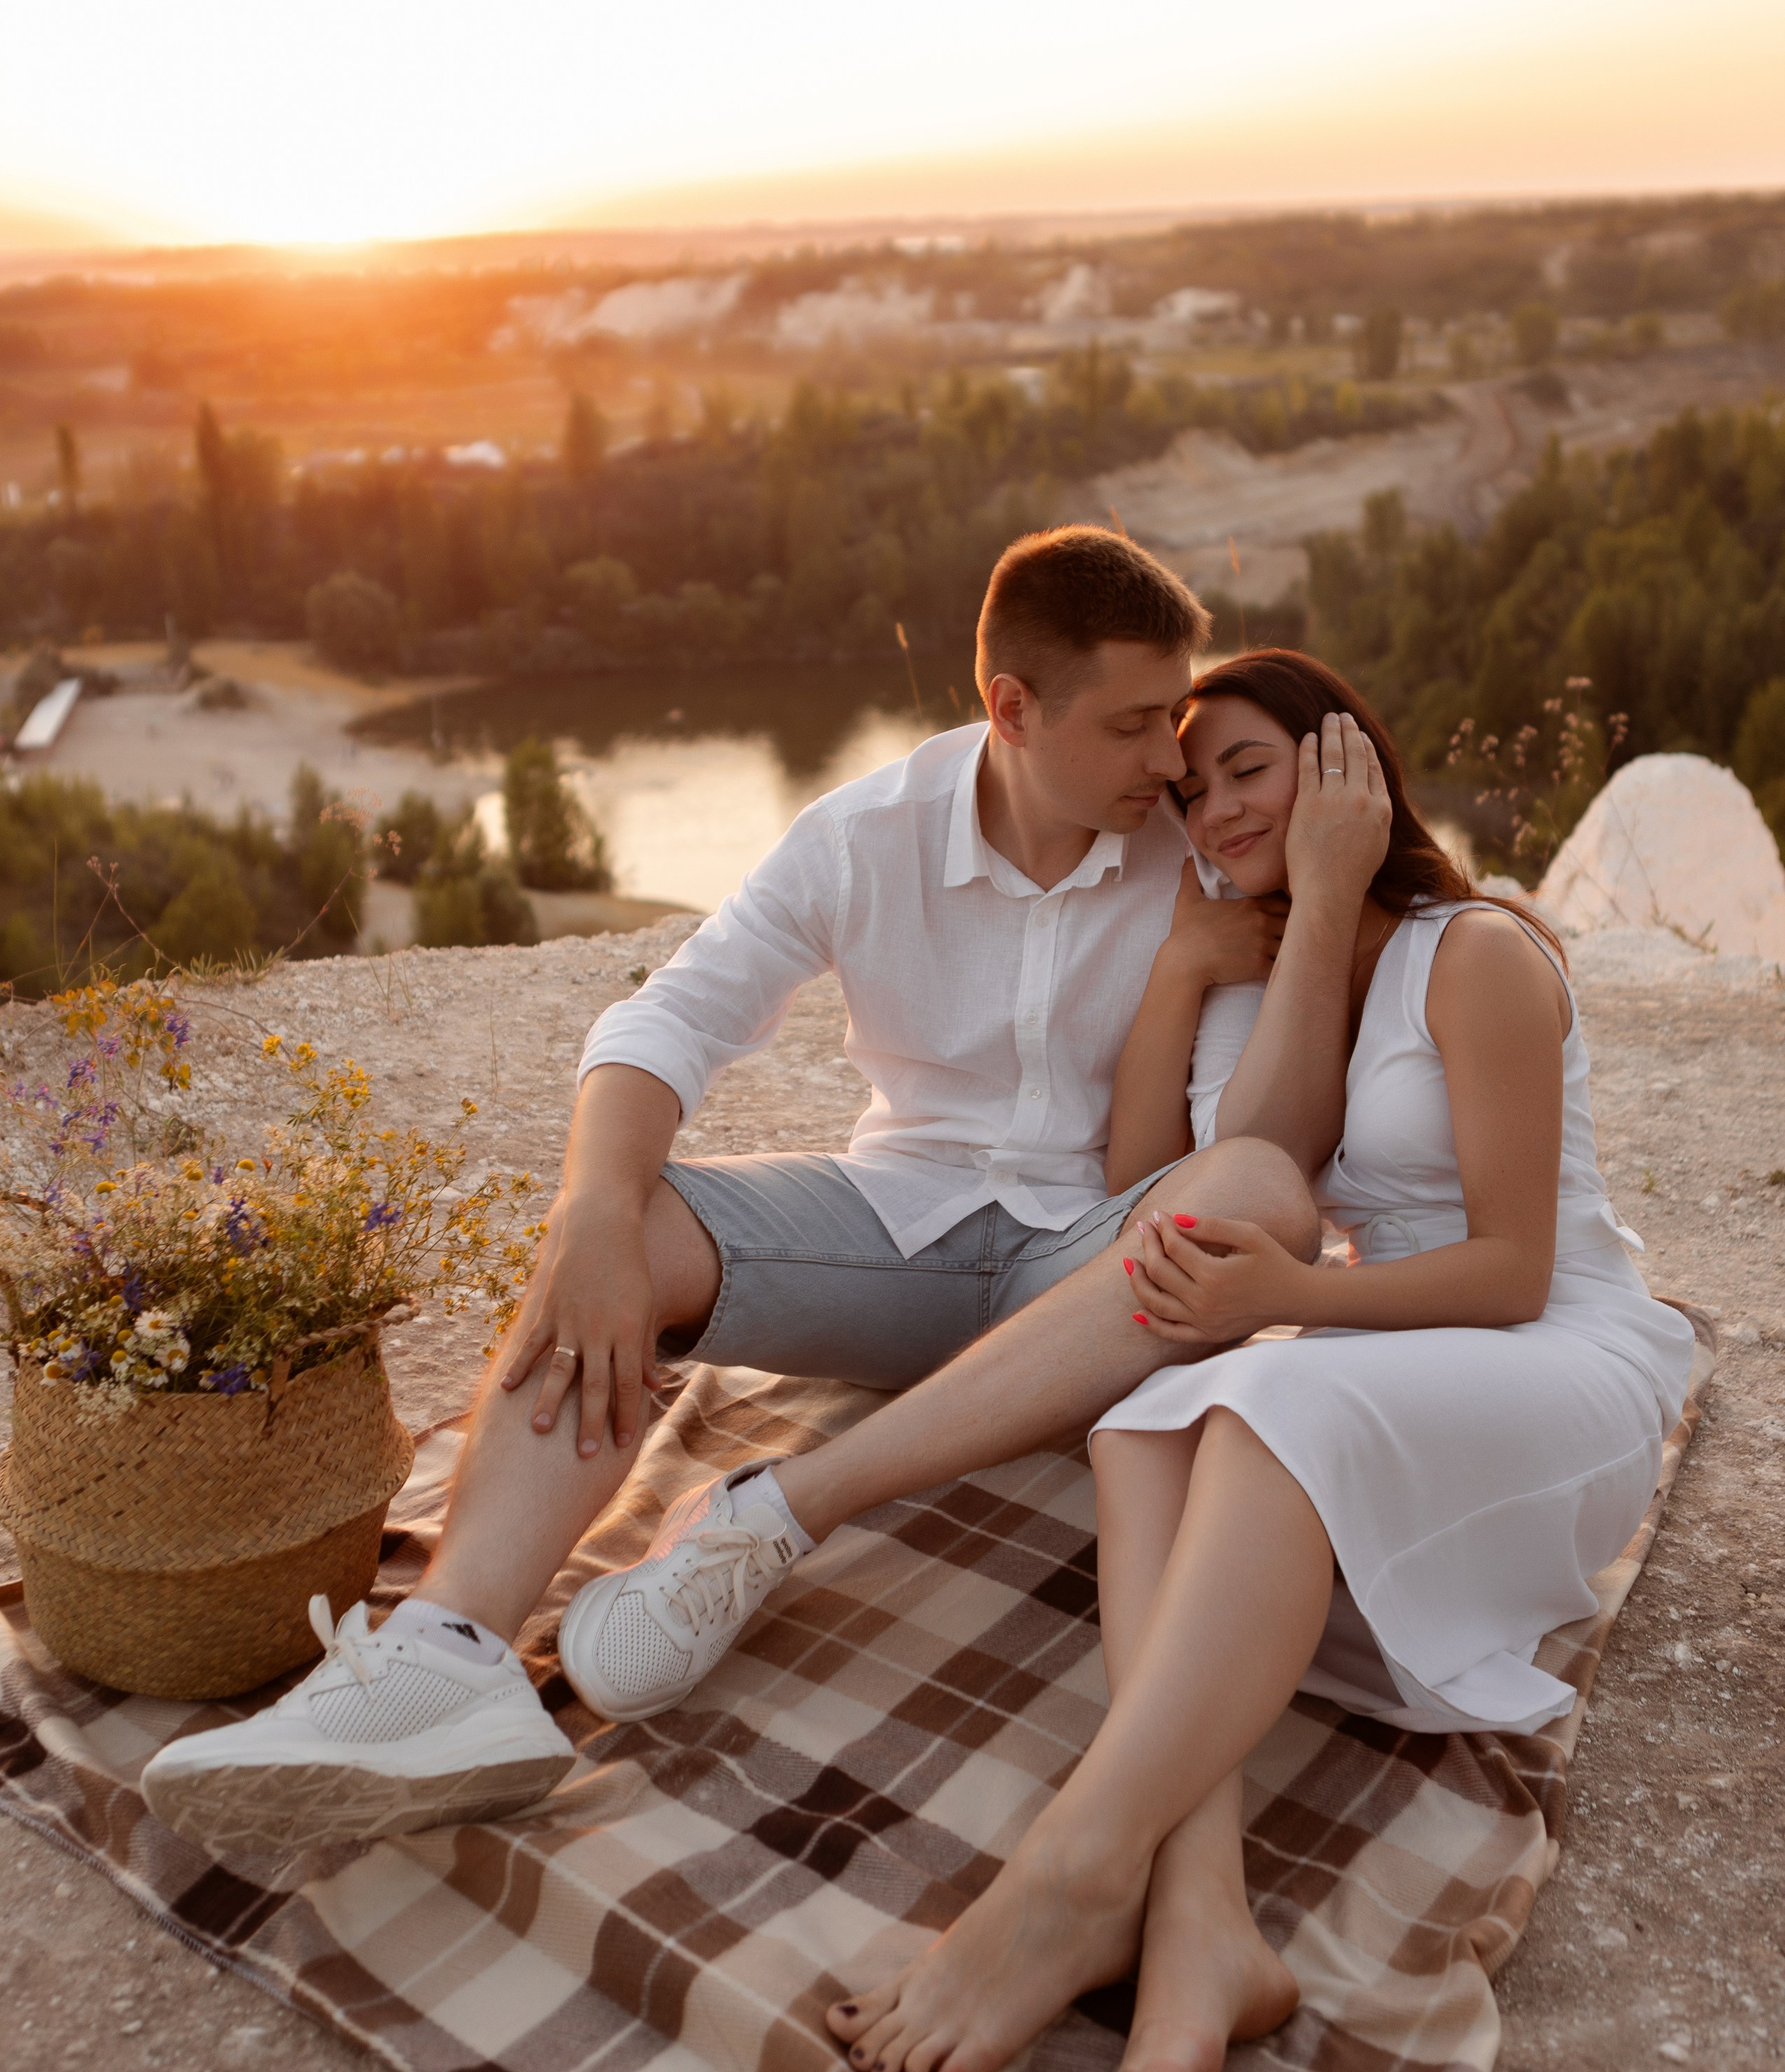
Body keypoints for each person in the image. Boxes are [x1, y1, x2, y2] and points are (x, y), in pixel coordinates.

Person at [141, 538, 1386, 1851]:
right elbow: (671, 1018)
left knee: (1256, 1192)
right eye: (1135, 725)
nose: (1171, 762)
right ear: (1013, 709)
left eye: (1173, 723)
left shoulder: (1194, 855)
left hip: (1091, 1268)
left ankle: (777, 1509)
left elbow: (1241, 1154)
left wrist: (1274, 928)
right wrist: (594, 1214)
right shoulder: (863, 836)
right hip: (895, 1232)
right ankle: (447, 1664)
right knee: (634, 1216)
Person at [820, 651, 1696, 2072]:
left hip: (1553, 1352)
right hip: (1390, 1352)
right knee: (1142, 1422)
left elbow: (1508, 1271)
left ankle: (1070, 1867)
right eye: (1186, 785)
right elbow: (1140, 1190)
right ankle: (1201, 1925)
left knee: (1262, 1401)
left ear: (1344, 768)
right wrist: (1180, 967)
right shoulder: (1262, 965)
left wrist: (1288, 1299)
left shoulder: (1470, 951)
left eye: (1245, 768)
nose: (1209, 808)